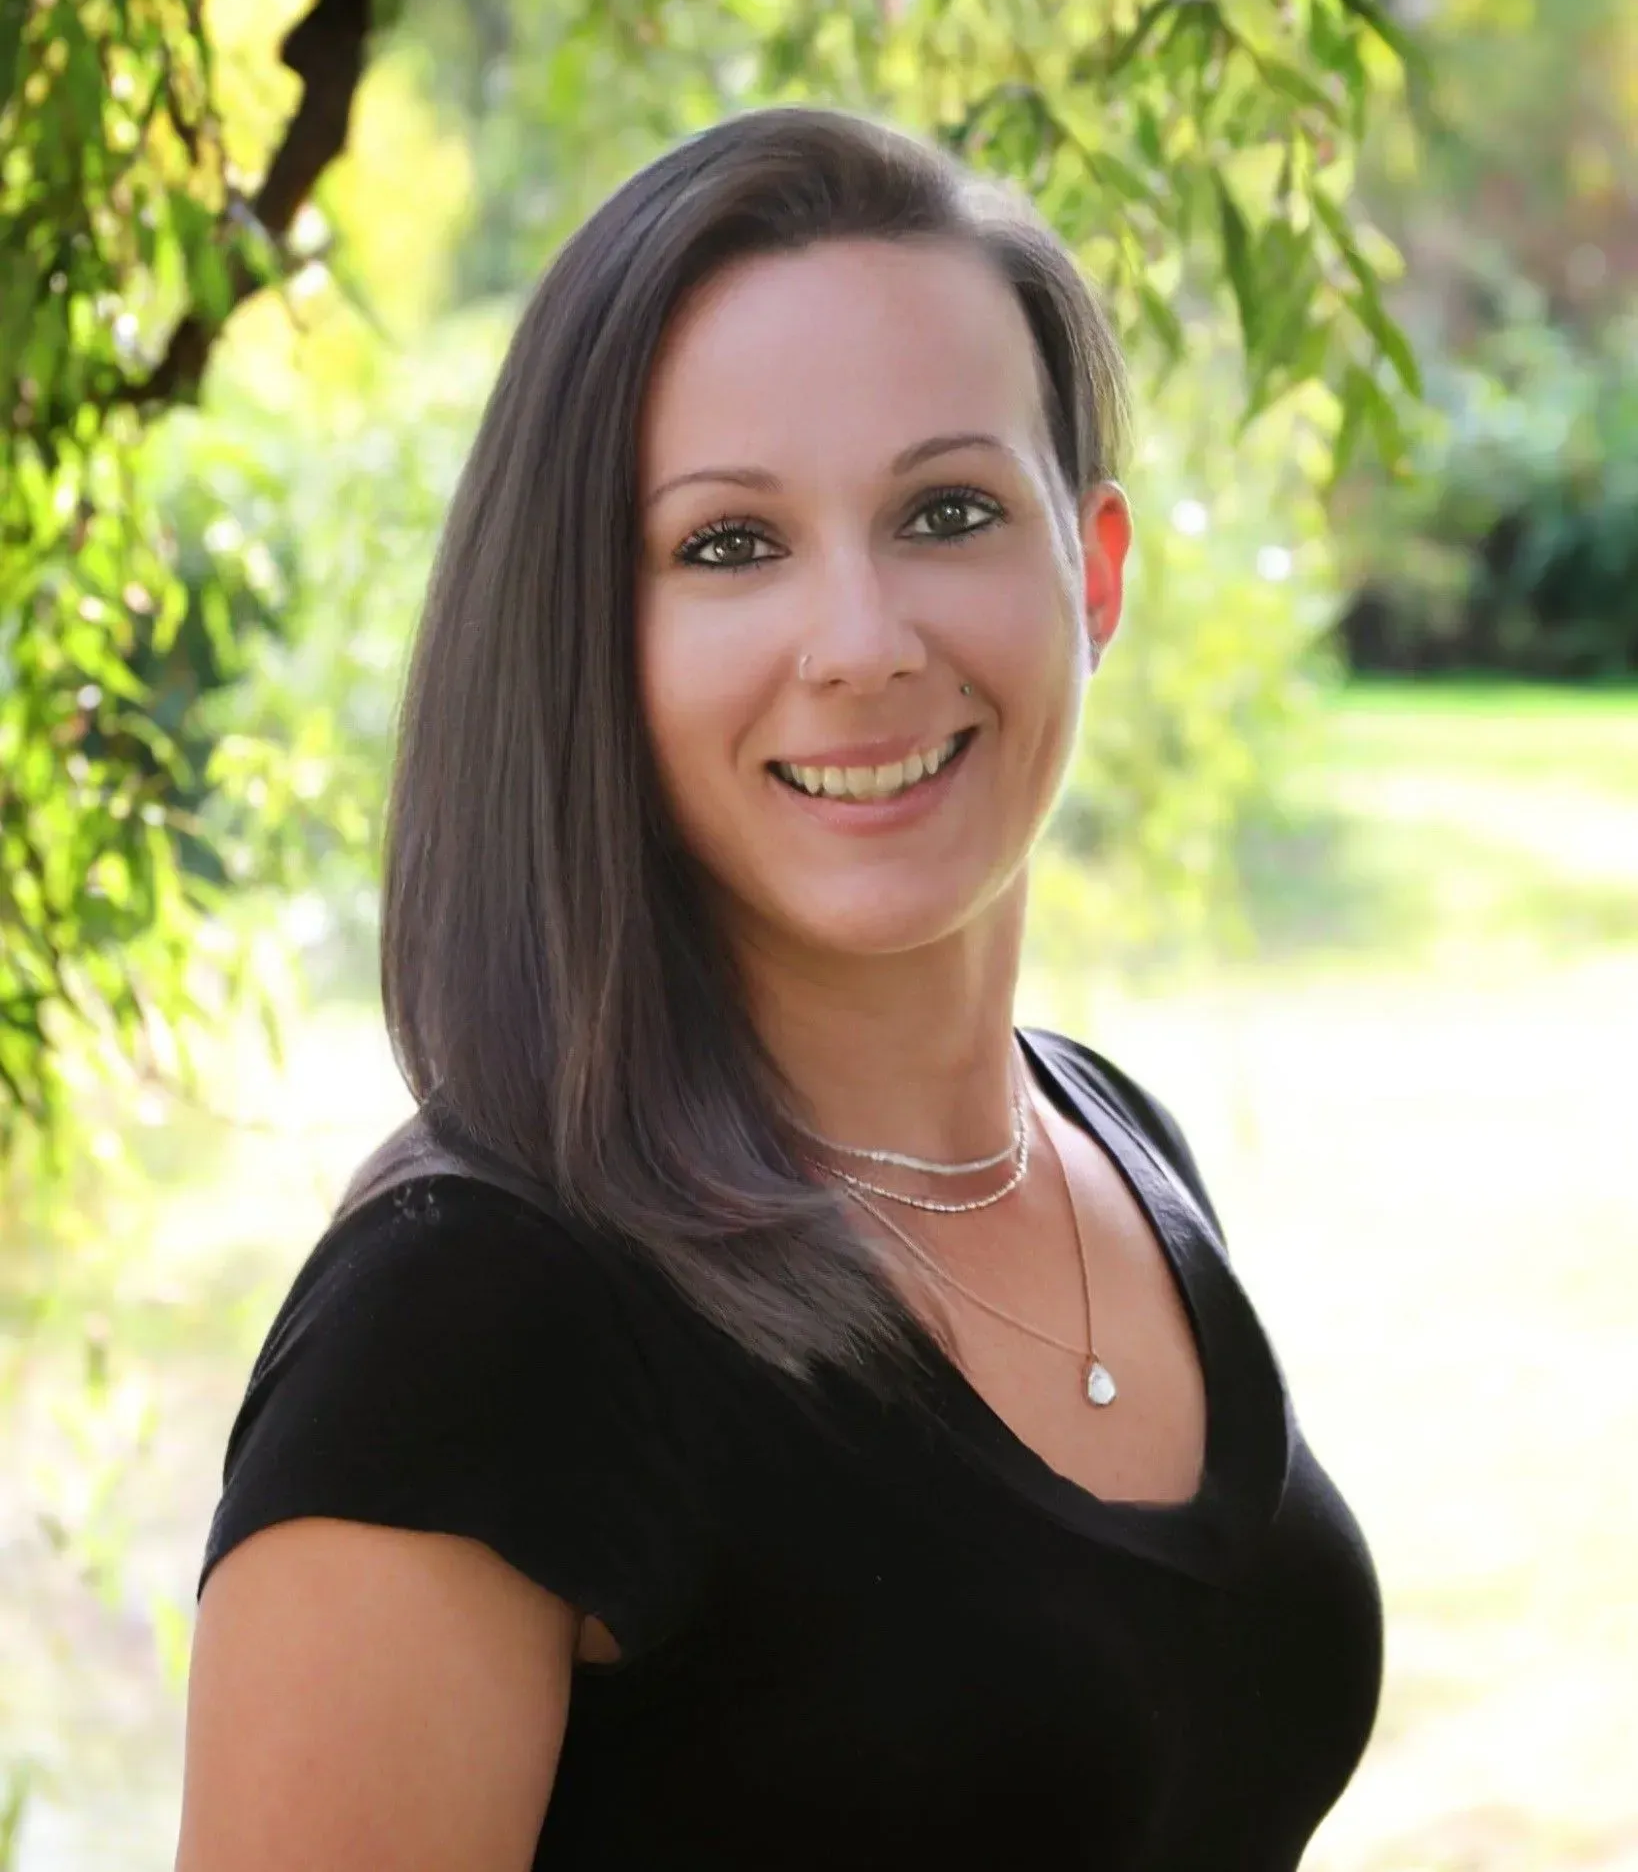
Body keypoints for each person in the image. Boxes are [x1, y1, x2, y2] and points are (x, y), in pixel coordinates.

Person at [175, 105, 1383, 1871]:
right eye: (729, 544)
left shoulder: (1114, 1145)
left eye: (948, 511)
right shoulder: (469, 1324)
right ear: (590, 631)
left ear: (1093, 570)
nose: (862, 641)